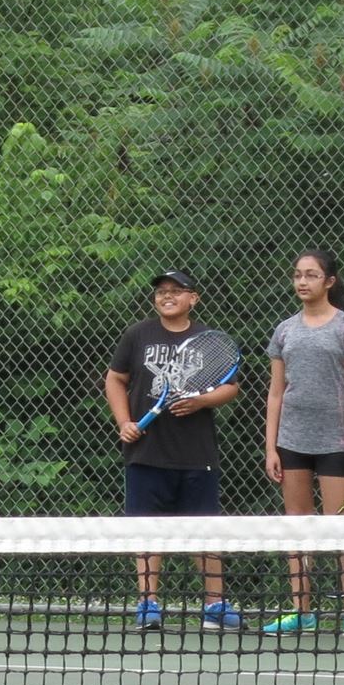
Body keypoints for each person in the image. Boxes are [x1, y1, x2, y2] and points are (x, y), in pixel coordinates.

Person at [105, 269, 244, 631]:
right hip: (146, 453)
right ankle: (148, 604)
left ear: (193, 298)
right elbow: (115, 379)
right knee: (148, 530)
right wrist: (124, 422)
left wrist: (201, 401)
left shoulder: (207, 338)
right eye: (162, 292)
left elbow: (231, 388)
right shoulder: (138, 335)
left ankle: (214, 605)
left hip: (196, 452)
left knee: (204, 529)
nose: (167, 296)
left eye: (177, 291)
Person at [259, 249, 344, 638]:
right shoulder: (285, 330)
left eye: (311, 275)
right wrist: (271, 446)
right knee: (297, 526)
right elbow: (275, 394)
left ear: (329, 281)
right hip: (292, 440)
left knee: (341, 526)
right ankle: (302, 610)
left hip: (335, 443)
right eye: (297, 275)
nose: (302, 282)